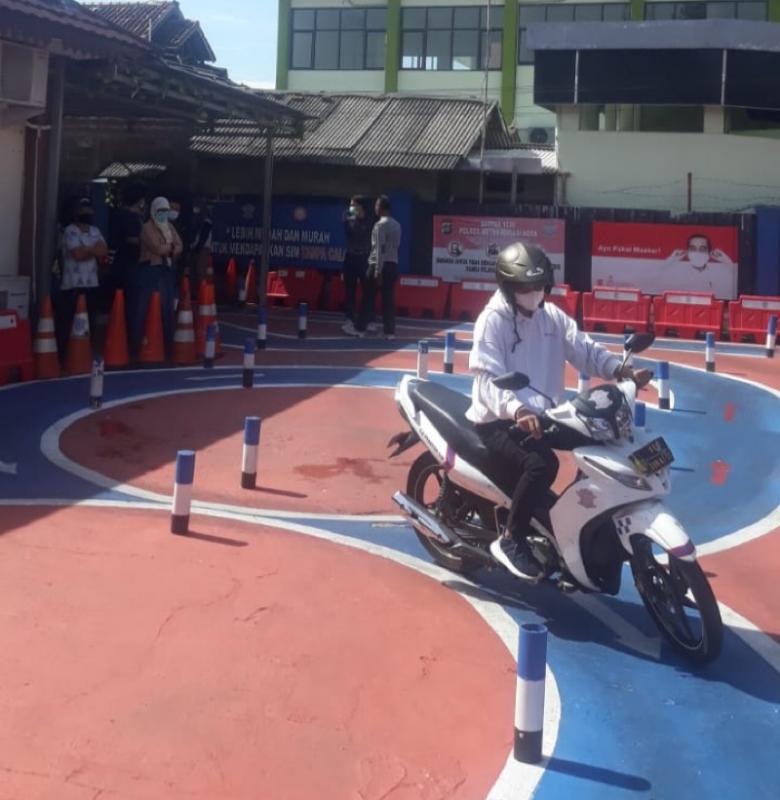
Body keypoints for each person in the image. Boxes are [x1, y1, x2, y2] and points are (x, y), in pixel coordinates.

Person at [466, 242, 652, 580]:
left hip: (545, 416)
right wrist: (517, 407)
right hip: (499, 420)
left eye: (538, 286)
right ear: (508, 287)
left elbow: (584, 349)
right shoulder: (491, 321)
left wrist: (619, 370)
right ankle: (511, 538)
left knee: (602, 445)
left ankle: (579, 527)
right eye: (525, 287)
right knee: (542, 464)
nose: (533, 293)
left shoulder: (550, 317)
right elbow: (488, 378)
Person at [56, 197, 108, 357]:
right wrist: (92, 250)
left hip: (91, 284)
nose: (87, 212)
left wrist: (87, 249)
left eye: (88, 208)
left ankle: (85, 352)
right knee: (68, 321)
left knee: (89, 321)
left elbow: (103, 251)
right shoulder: (69, 231)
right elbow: (77, 254)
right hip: (72, 285)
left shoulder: (95, 231)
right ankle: (65, 354)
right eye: (83, 208)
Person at [133, 197, 183, 359]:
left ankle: (168, 348)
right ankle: (135, 347)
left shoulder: (169, 226)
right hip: (149, 269)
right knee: (143, 307)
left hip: (166, 270)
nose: (163, 214)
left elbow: (180, 245)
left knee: (167, 308)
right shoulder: (147, 228)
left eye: (165, 211)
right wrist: (170, 247)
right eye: (160, 211)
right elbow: (156, 248)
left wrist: (170, 249)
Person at [348, 195, 402, 339]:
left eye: (377, 205)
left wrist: (378, 269)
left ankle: (360, 329)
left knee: (368, 297)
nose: (375, 208)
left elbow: (379, 248)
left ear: (381, 208)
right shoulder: (397, 225)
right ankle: (389, 331)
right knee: (388, 299)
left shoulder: (379, 225)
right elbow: (396, 247)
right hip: (392, 264)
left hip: (378, 264)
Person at [340, 196, 372, 336]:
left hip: (365, 257)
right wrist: (347, 220)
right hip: (351, 256)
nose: (351, 207)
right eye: (350, 205)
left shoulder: (370, 221)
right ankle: (349, 319)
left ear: (361, 206)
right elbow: (349, 235)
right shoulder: (349, 220)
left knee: (367, 289)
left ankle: (368, 319)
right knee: (349, 289)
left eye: (354, 205)